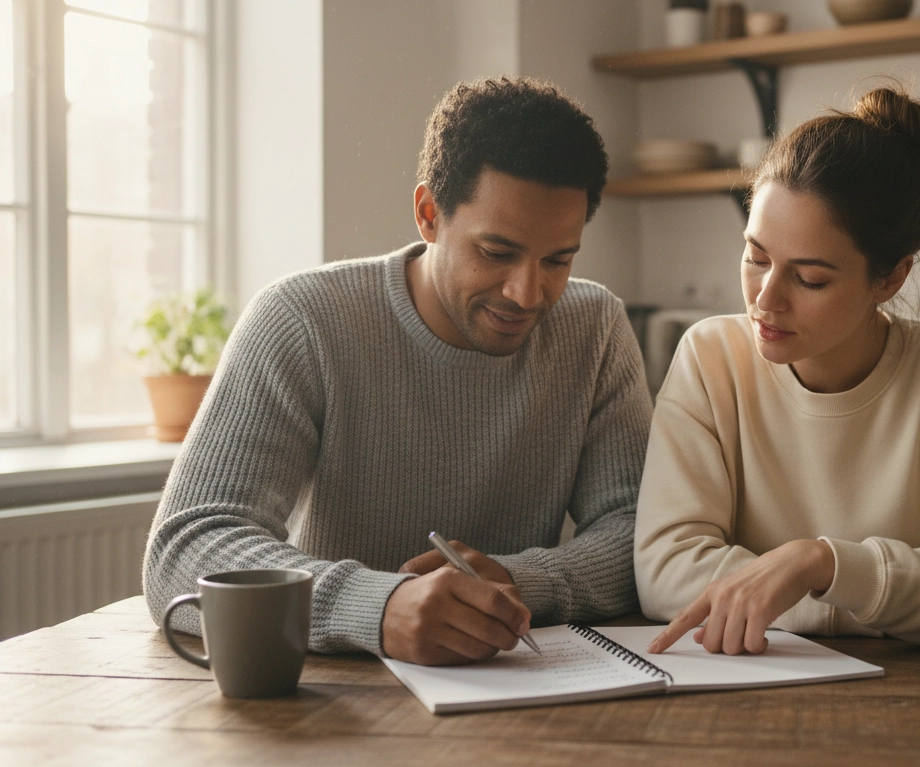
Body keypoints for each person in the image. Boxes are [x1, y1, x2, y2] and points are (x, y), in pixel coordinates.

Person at [144, 77, 652, 666]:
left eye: (558, 260)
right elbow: (187, 546)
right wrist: (380, 607)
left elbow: (639, 533)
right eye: (497, 252)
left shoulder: (594, 327)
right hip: (331, 701)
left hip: (516, 688)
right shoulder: (303, 319)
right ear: (429, 214)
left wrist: (517, 583)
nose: (527, 291)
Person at [634, 87, 920, 656]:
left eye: (809, 278)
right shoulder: (710, 359)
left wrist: (824, 564)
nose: (765, 299)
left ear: (890, 279)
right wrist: (880, 600)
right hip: (751, 694)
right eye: (756, 257)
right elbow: (666, 569)